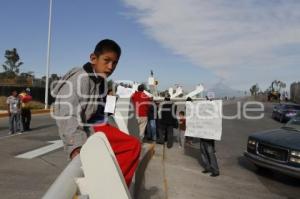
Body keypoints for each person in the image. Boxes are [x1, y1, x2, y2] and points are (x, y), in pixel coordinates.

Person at [53, 39, 141, 186]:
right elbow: (67, 113)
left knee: (129, 147)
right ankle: (112, 190)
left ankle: (109, 186)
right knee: (132, 146)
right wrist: (75, 147)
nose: (110, 67)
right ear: (93, 58)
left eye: (115, 63)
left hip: (97, 125)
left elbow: (103, 111)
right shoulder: (80, 79)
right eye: (106, 60)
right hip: (88, 129)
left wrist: (110, 99)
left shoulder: (100, 81)